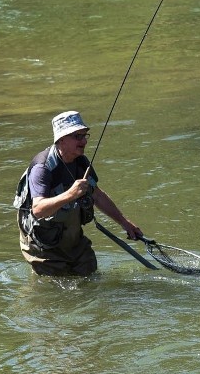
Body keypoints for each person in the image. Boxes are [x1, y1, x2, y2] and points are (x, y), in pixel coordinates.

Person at [14, 110, 143, 276]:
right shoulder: (42, 168)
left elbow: (96, 194)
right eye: (77, 136)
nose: (83, 141)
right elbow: (38, 210)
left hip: (71, 235)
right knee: (55, 285)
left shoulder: (81, 162)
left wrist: (124, 223)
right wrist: (71, 194)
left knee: (90, 273)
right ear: (61, 139)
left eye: (84, 135)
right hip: (42, 243)